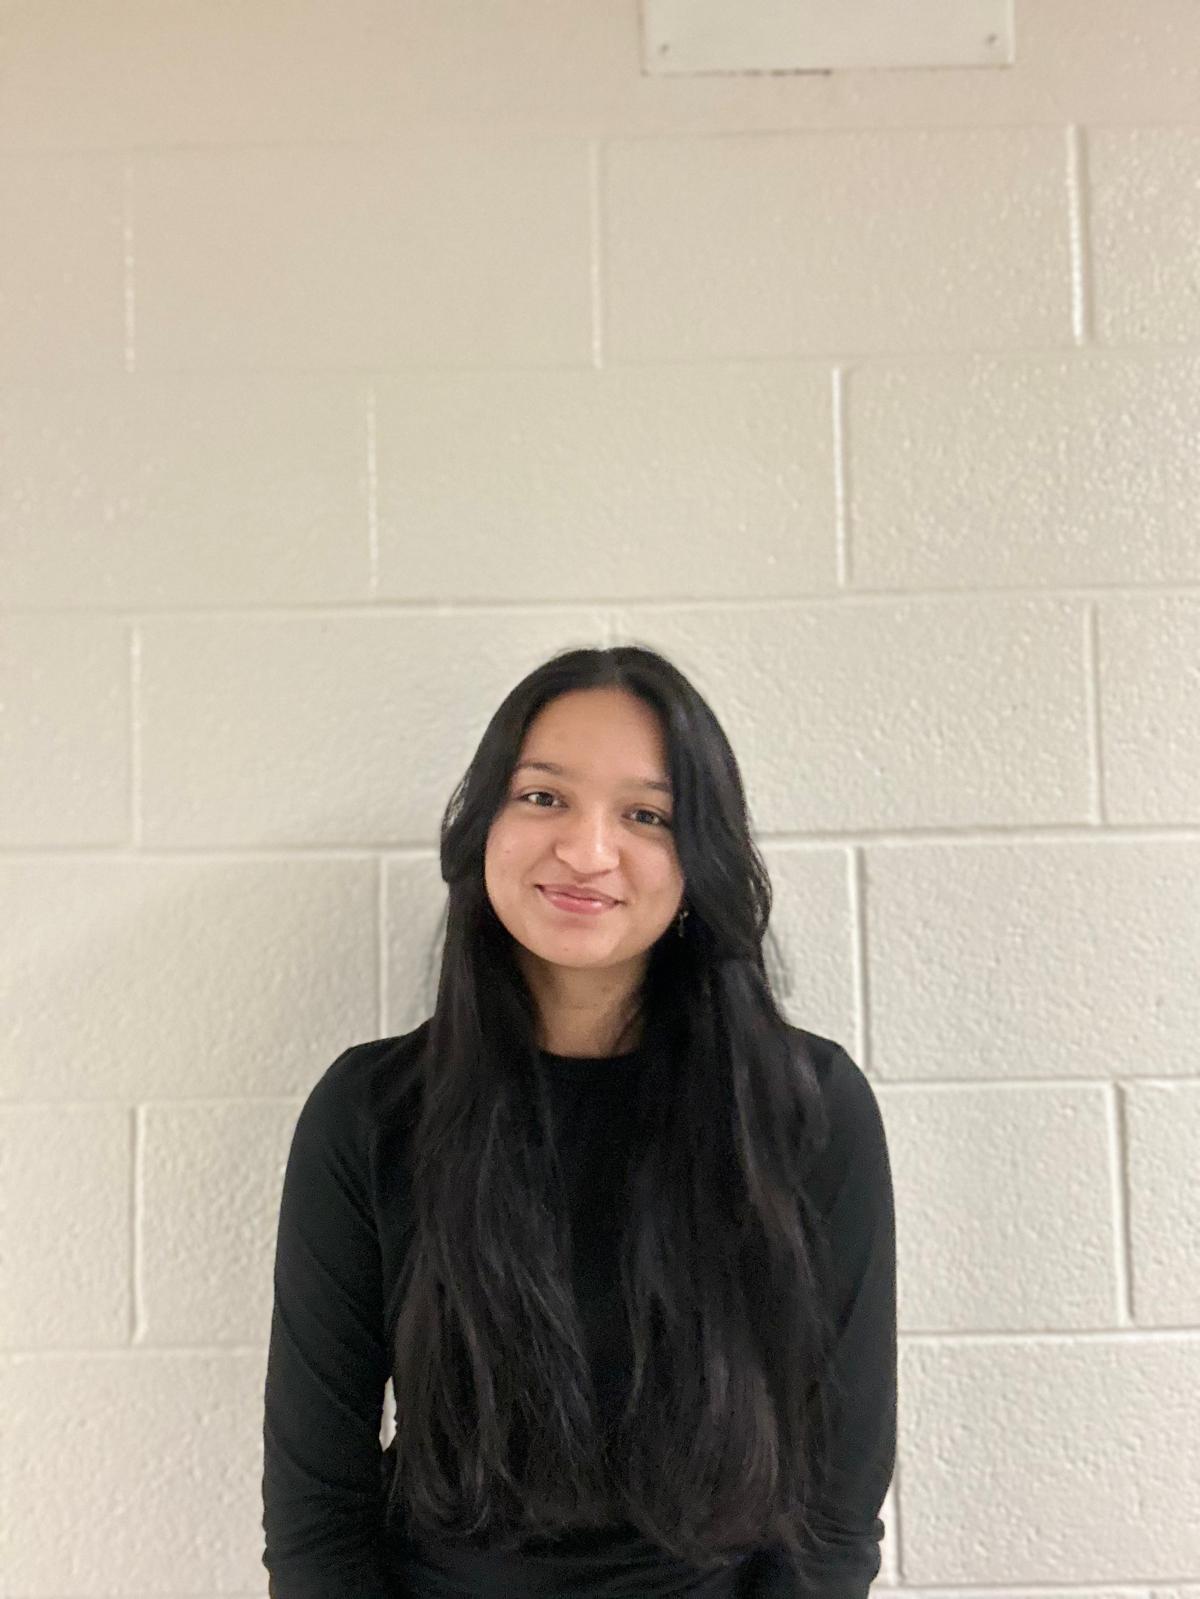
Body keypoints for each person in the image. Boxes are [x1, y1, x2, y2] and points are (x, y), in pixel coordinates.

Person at [260, 643, 897, 1598]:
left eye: (647, 815)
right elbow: (318, 1515)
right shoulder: (370, 1112)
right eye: (544, 797)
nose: (588, 850)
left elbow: (835, 1506)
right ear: (483, 821)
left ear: (700, 859)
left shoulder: (805, 1107)